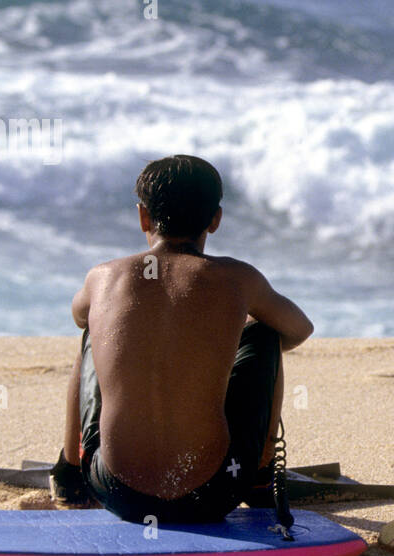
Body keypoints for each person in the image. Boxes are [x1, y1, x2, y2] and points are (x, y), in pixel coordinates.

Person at [47, 155, 313, 532]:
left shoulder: (103, 277)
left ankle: (69, 471)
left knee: (92, 328)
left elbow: (78, 316)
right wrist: (222, 346)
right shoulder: (237, 278)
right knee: (264, 331)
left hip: (114, 488)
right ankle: (260, 473)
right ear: (215, 219)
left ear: (143, 217)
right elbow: (298, 328)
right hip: (216, 490)